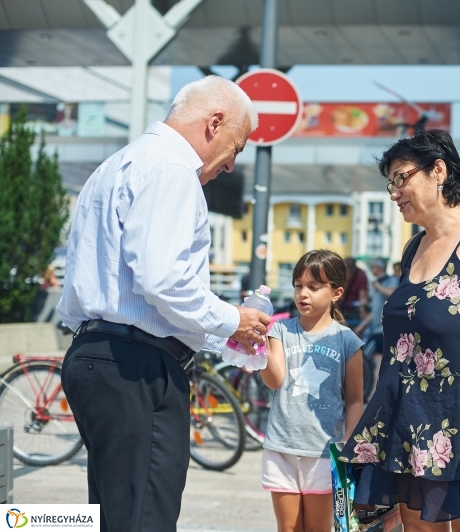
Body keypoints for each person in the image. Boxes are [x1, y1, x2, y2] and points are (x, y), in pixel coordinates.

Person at [56, 76, 271, 532]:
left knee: (116, 513)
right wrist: (232, 319)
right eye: (237, 145)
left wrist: (218, 335)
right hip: (135, 368)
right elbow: (163, 281)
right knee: (143, 518)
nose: (231, 164)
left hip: (100, 355)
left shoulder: (116, 165)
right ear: (214, 123)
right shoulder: (171, 170)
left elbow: (133, 287)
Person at [338, 129, 460, 530]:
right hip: (411, 421)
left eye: (402, 177)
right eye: (391, 182)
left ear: (438, 171)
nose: (394, 192)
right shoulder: (413, 248)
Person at [260, 250, 364, 532]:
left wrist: (348, 445)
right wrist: (259, 350)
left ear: (336, 292)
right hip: (281, 447)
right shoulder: (280, 330)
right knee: (289, 529)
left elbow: (355, 399)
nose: (302, 294)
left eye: (313, 287)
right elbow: (274, 379)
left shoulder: (348, 341)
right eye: (298, 286)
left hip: (325, 452)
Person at [342, 257, 369, 326]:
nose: (349, 276)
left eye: (351, 273)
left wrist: (362, 308)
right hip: (340, 305)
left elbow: (362, 294)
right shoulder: (340, 273)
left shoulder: (361, 274)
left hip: (354, 309)